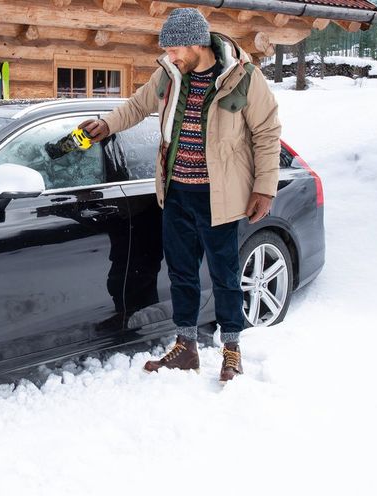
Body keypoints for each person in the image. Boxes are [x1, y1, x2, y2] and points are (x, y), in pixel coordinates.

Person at [80, 8, 281, 382]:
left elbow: (267, 132)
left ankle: (232, 350)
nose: (169, 57)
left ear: (196, 43)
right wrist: (106, 124)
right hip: (176, 193)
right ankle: (185, 346)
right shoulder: (170, 76)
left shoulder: (243, 76)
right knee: (181, 274)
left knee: (224, 275)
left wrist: (263, 188)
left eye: (174, 50)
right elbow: (139, 105)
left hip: (219, 196)